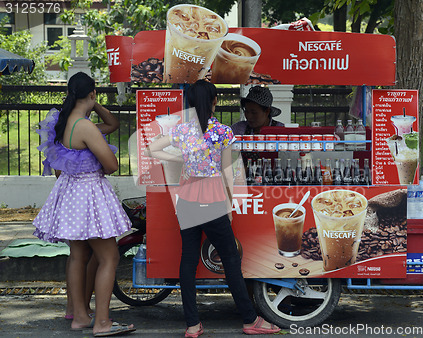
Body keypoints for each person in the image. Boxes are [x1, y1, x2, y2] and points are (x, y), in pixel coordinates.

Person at [146, 80, 281, 337]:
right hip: (212, 200)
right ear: (215, 101)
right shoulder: (222, 131)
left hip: (186, 199)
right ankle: (250, 319)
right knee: (230, 259)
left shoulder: (182, 130)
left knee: (188, 260)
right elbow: (228, 173)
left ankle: (192, 325)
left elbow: (153, 149)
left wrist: (180, 157)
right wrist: (229, 206)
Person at [33, 72, 135, 337]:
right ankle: (102, 322)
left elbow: (108, 125)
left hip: (69, 193)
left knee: (78, 255)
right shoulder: (85, 126)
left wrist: (92, 102)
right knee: (109, 257)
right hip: (88, 194)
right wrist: (93, 101)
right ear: (91, 93)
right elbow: (111, 166)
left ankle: (79, 316)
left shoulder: (64, 121)